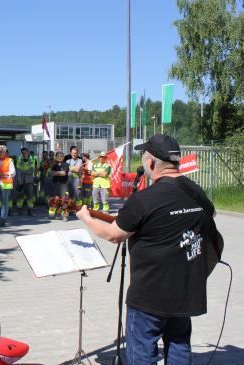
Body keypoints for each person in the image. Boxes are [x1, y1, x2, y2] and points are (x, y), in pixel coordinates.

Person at [76, 134, 217, 365]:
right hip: (186, 290)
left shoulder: (145, 199)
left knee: (142, 352)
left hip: (150, 295)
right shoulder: (196, 192)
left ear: (151, 162)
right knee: (180, 346)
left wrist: (85, 218)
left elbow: (114, 235)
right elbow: (208, 215)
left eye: (143, 157)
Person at [48, 151, 70, 221]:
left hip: (64, 184)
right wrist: (58, 172)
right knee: (56, 199)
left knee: (64, 200)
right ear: (56, 157)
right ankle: (55, 213)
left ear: (63, 157)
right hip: (56, 184)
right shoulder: (54, 165)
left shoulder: (66, 165)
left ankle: (65, 215)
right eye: (58, 156)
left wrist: (56, 173)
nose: (60, 157)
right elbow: (51, 173)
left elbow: (63, 173)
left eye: (61, 156)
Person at [15, 148, 36, 216]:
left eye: (25, 152)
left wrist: (22, 172)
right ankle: (19, 211)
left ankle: (30, 211)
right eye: (23, 153)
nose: (24, 154)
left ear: (28, 153)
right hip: (20, 181)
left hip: (29, 181)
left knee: (30, 197)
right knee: (20, 197)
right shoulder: (19, 161)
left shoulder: (32, 161)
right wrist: (19, 179)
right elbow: (18, 171)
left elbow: (31, 171)